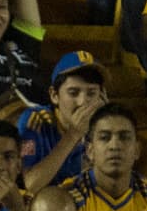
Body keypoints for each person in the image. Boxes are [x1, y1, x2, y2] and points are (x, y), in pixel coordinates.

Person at [17, 52, 109, 195]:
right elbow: (31, 184)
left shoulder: (102, 125)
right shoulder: (34, 121)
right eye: (73, 93)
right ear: (54, 95)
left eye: (91, 93)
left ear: (102, 96)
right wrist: (73, 134)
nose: (83, 102)